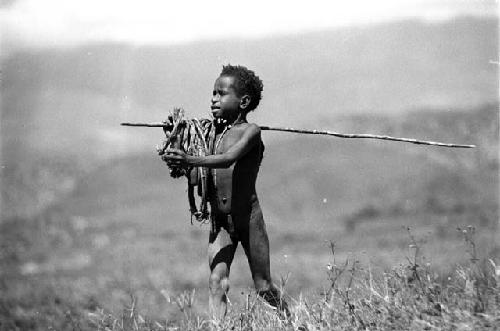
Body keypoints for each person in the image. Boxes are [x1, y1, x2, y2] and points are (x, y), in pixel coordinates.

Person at [161, 65, 288, 319]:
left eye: (221, 94)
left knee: (263, 286)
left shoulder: (251, 132)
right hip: (221, 224)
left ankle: (291, 321)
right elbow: (198, 177)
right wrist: (176, 143)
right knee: (216, 282)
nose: (213, 99)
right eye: (213, 93)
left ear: (244, 102)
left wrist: (189, 158)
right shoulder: (211, 135)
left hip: (249, 220)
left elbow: (228, 159)